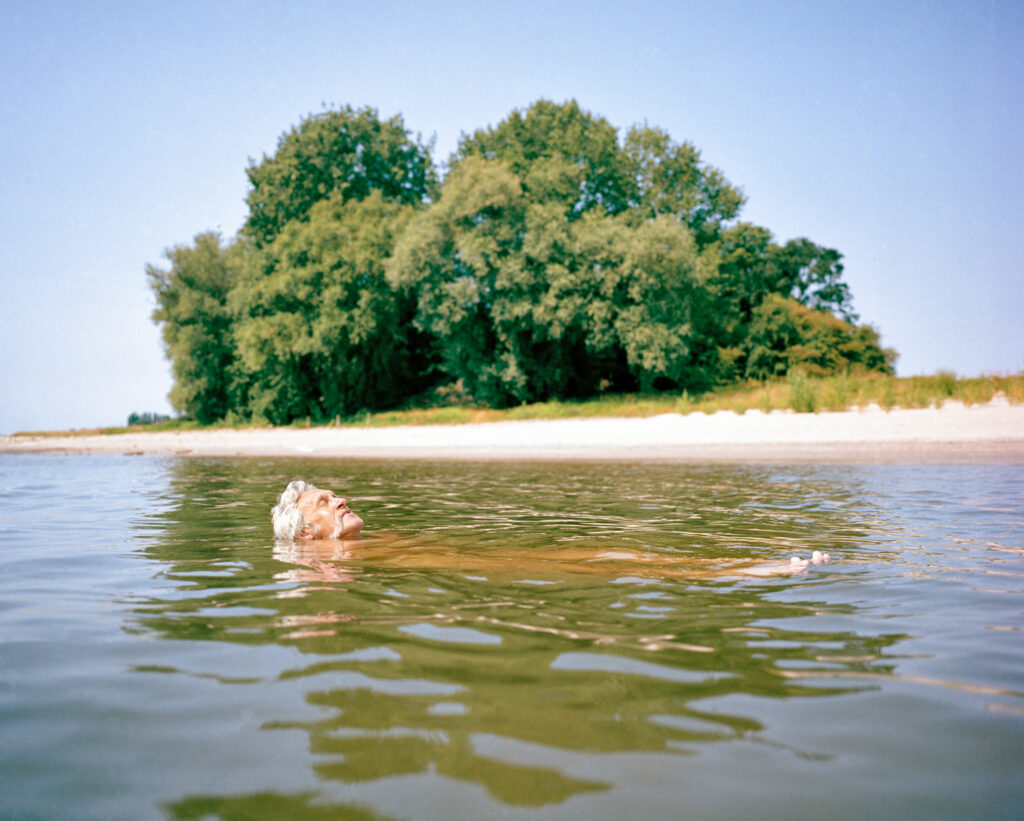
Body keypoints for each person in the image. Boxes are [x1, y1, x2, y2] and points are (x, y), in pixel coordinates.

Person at [271, 479, 830, 578]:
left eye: (334, 492)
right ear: (306, 536)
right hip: (488, 571)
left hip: (486, 565)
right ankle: (732, 573)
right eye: (325, 500)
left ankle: (724, 569)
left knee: (611, 553)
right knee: (615, 562)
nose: (340, 497)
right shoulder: (344, 563)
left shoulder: (372, 546)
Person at [271, 479, 364, 541]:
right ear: (304, 532)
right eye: (324, 503)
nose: (342, 501)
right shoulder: (323, 569)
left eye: (335, 497)